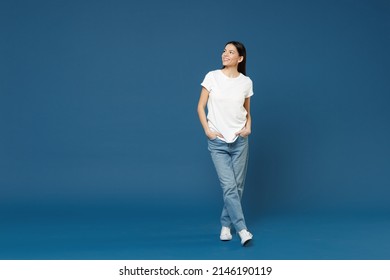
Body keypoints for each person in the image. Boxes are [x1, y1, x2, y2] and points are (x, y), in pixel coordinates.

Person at [197, 41, 254, 246]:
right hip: (218, 142)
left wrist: (249, 127)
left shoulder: (246, 82)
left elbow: (247, 110)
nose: (225, 54)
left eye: (230, 52)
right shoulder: (212, 77)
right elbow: (200, 107)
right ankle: (242, 230)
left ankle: (225, 226)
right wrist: (208, 131)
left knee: (237, 187)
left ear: (240, 58)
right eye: (224, 51)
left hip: (240, 140)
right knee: (229, 186)